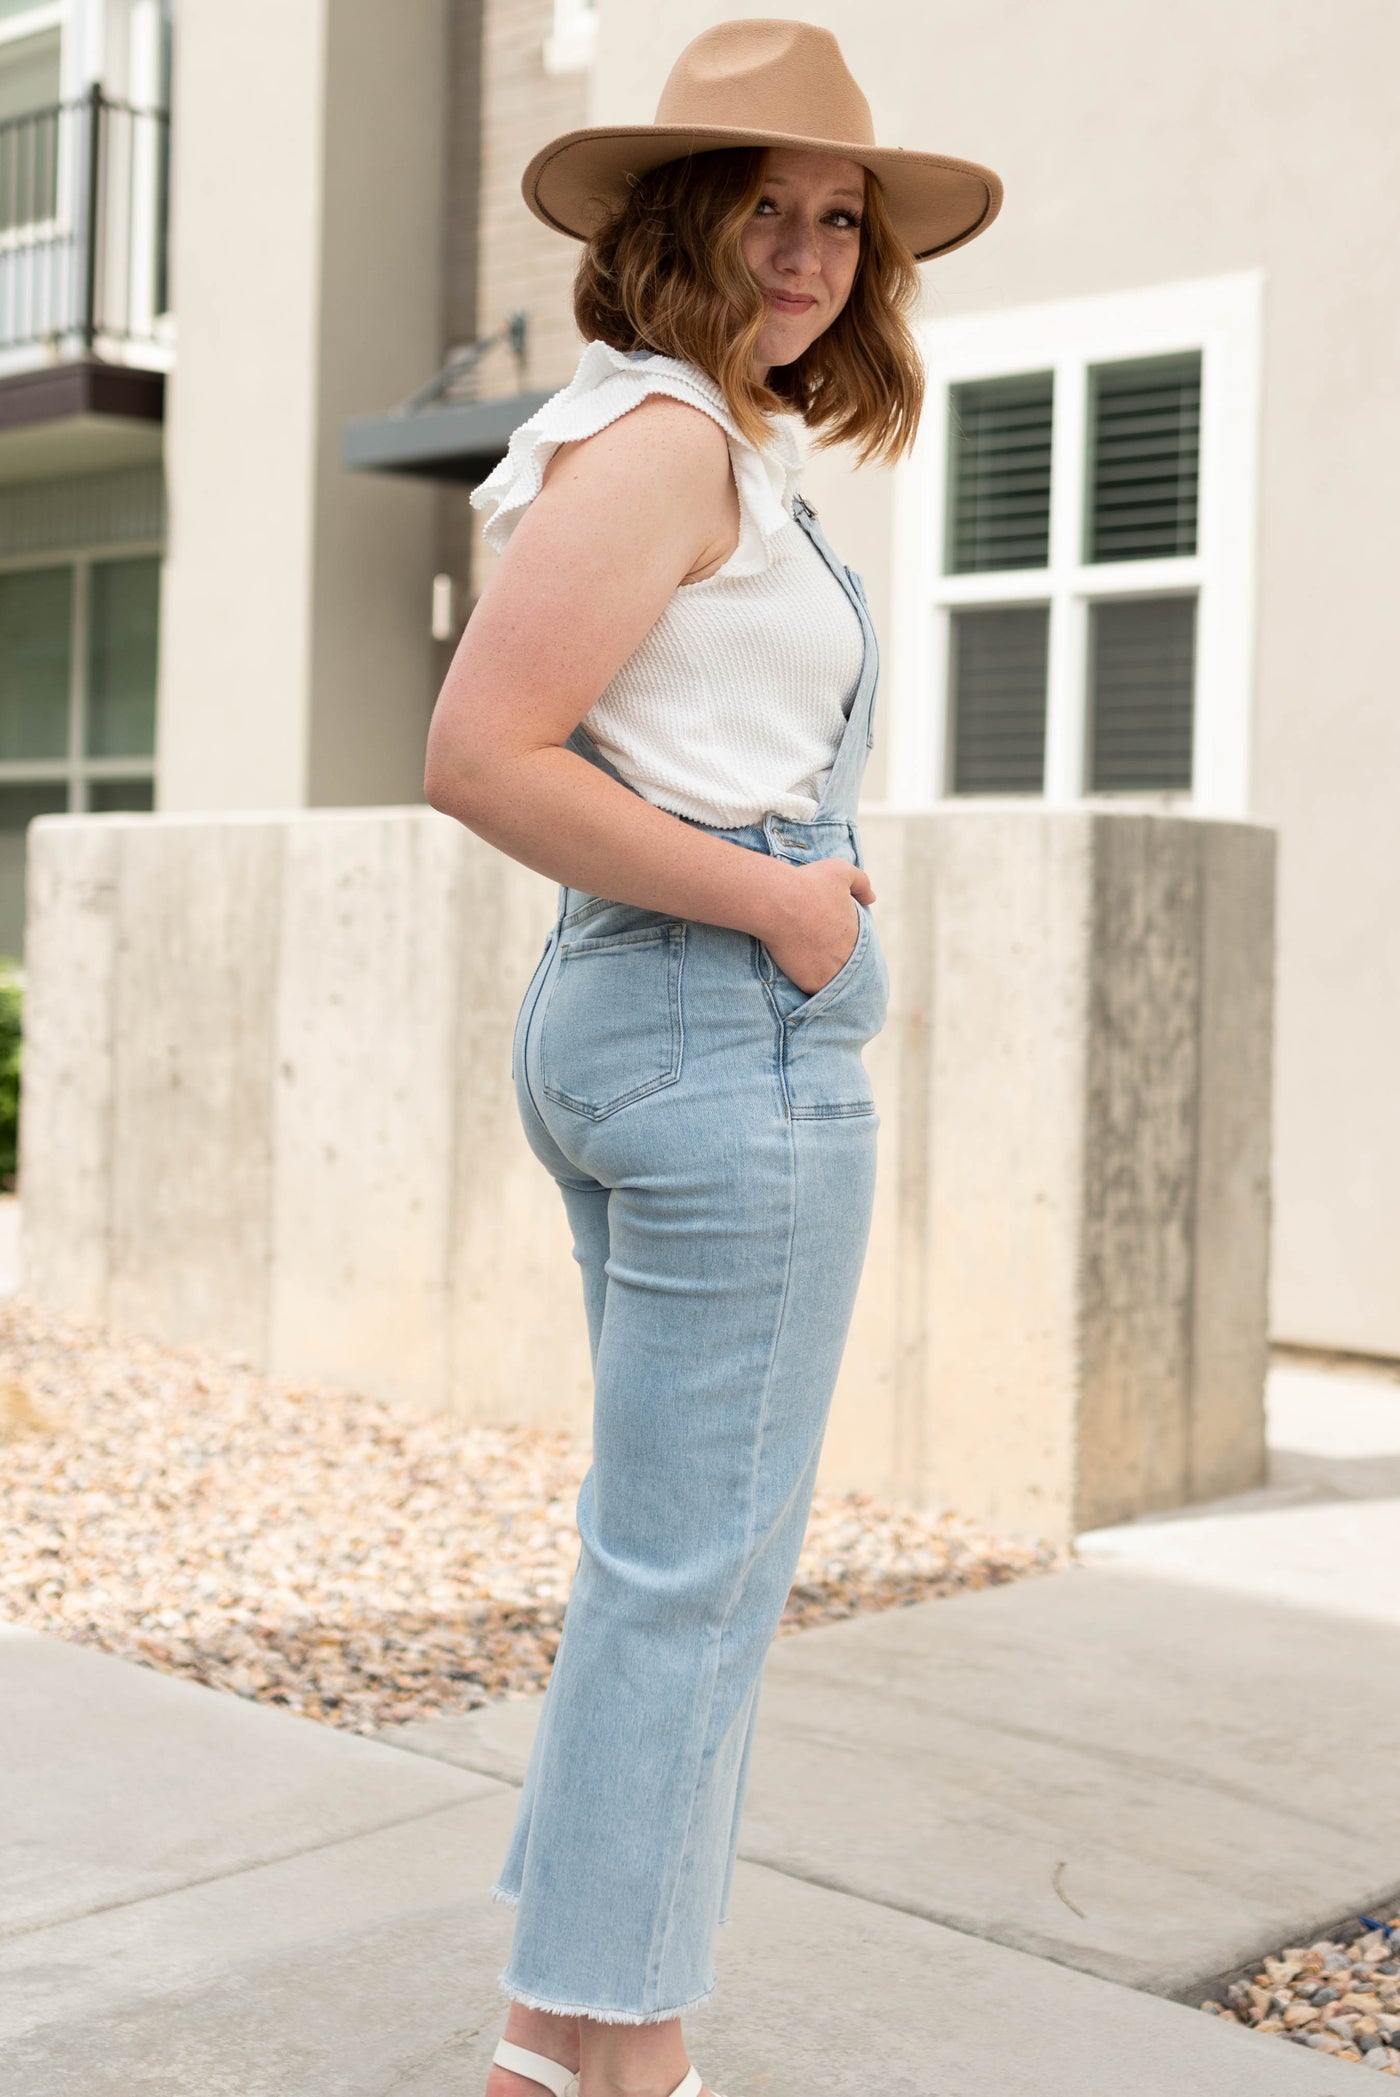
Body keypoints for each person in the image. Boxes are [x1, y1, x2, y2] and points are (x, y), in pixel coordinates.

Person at [424, 20, 1002, 2097]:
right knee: (695, 1586)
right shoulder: (663, 441)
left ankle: (561, 2035)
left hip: (656, 1011)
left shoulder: (670, 438)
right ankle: (621, 2055)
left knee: (663, 1565)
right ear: (676, 218)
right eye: (768, 204)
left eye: (843, 218)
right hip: (706, 1015)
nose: (814, 250)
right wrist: (781, 906)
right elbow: (478, 755)